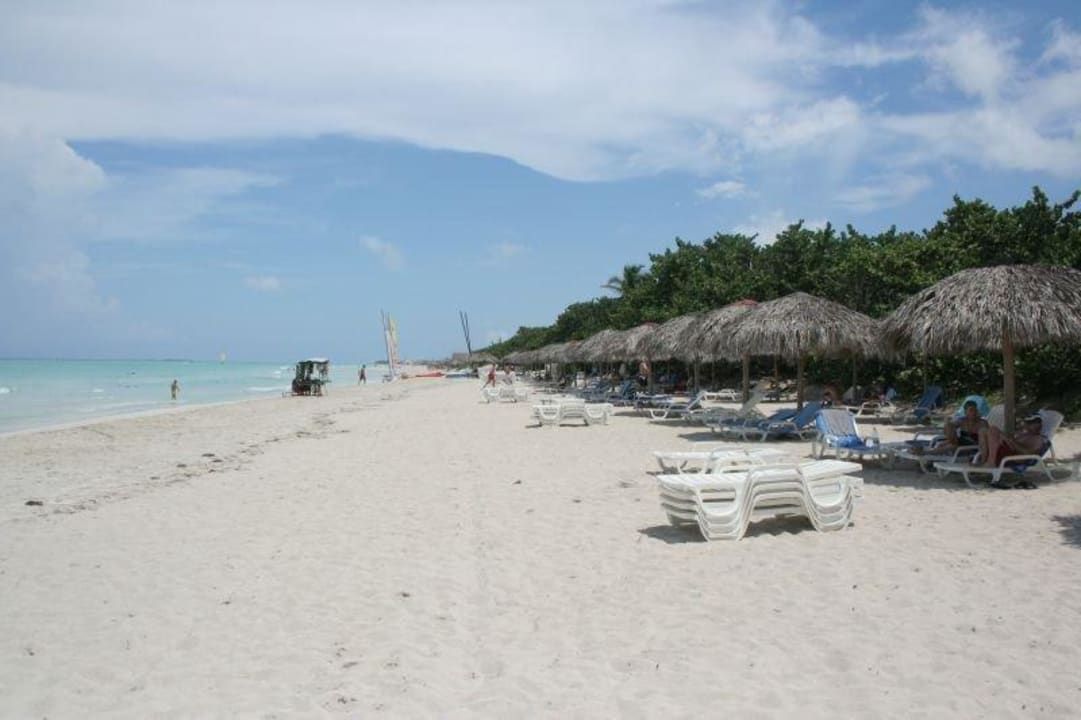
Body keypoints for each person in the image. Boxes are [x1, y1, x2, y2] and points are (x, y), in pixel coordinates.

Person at [978, 414, 1048, 468]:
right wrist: (1006, 438)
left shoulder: (1039, 439)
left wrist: (1012, 442)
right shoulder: (1023, 433)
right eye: (1031, 422)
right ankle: (983, 461)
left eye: (1037, 422)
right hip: (1008, 452)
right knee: (983, 430)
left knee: (993, 429)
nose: (1036, 425)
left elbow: (1029, 454)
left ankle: (991, 462)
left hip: (1014, 457)